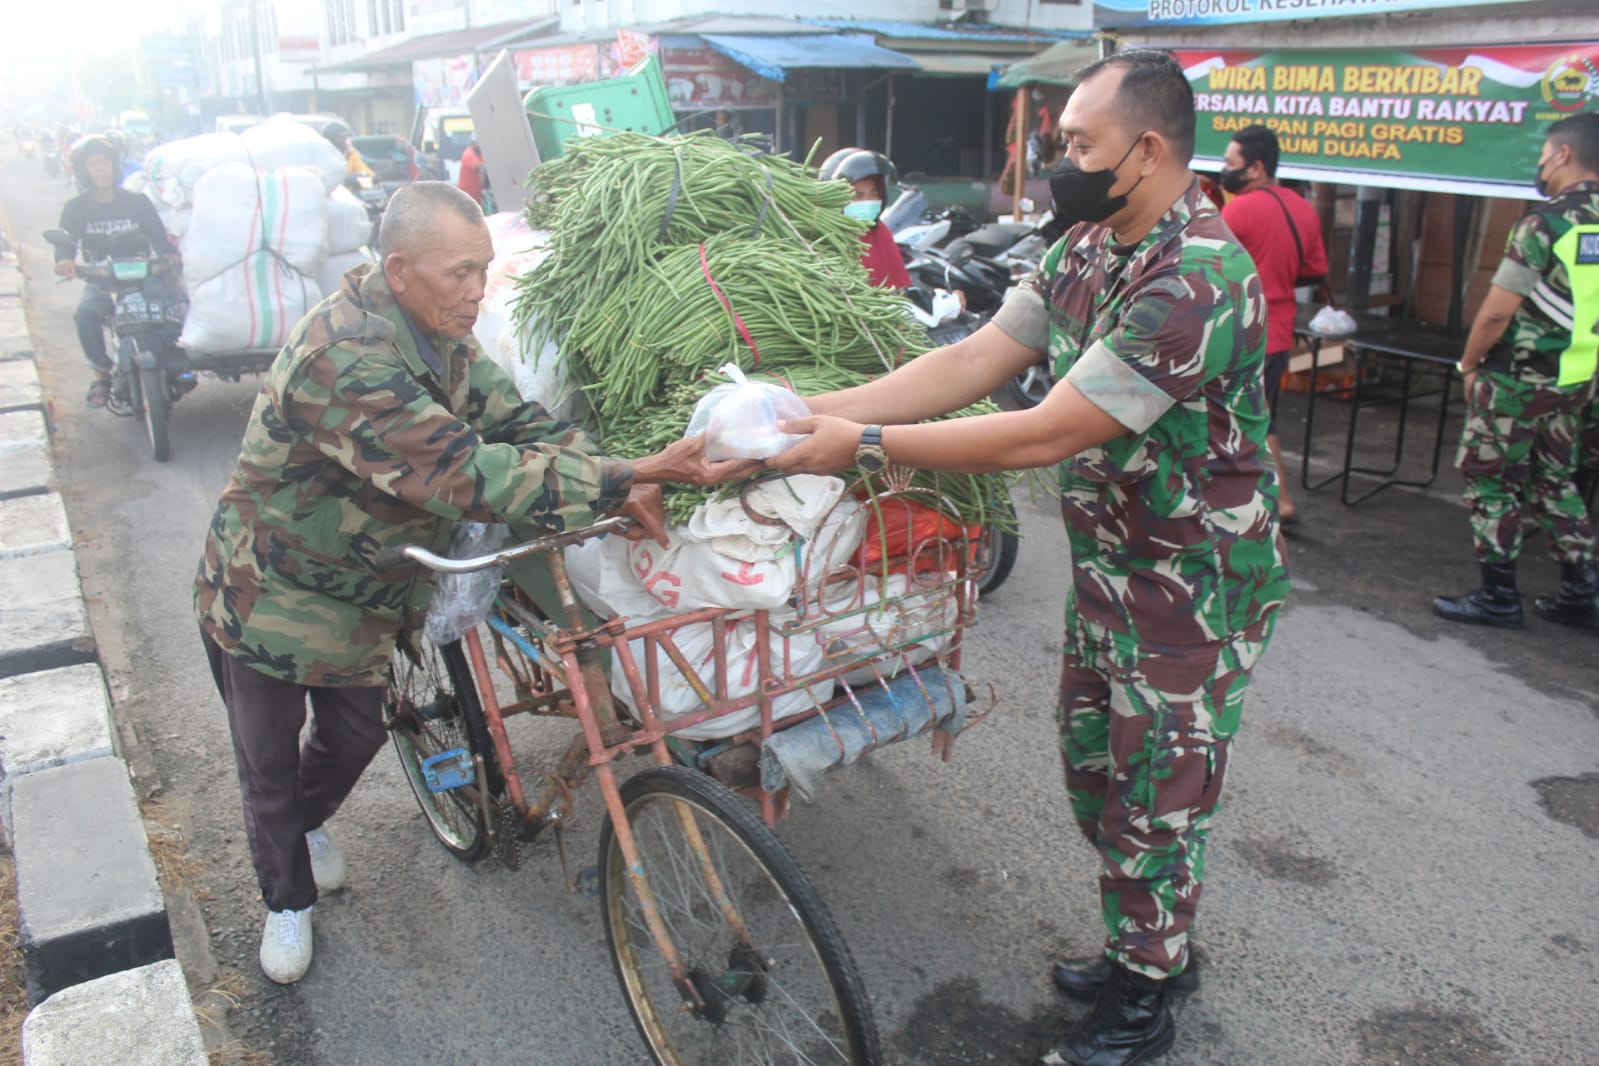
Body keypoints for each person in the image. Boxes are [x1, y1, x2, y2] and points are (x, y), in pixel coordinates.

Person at [771, 51, 1287, 1066]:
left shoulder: (1198, 275)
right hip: (1116, 570)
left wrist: (859, 449)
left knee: (1155, 792)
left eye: (1079, 145)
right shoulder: (1090, 244)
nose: (1063, 164)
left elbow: (1045, 431)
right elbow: (971, 361)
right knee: (1096, 772)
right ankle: (1149, 937)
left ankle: (1148, 988)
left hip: (1194, 590)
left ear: (1146, 151)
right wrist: (809, 411)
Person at [194, 182, 752, 986]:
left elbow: (515, 422)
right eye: (459, 272)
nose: (475, 291)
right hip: (269, 590)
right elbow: (459, 473)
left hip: (365, 588)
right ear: (398, 269)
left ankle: (303, 824)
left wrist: (608, 480)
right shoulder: (343, 355)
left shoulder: (441, 335)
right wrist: (632, 470)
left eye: (482, 270)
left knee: (354, 735)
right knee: (267, 762)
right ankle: (286, 897)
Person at [1434, 111, 1599, 630]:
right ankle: (1582, 590)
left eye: (1545, 153)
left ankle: (1499, 596)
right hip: (1576, 378)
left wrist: (1468, 362)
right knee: (1555, 478)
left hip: (1517, 381)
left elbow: (1496, 311)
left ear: (1564, 155)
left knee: (1489, 479)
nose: (1541, 163)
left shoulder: (1543, 223)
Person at [1218, 123, 1337, 525]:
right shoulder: (1301, 207)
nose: (1224, 169)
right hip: (1280, 331)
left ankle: (1276, 501)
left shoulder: (1240, 209)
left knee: (1247, 421)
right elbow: (1315, 269)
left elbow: (1206, 267)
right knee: (1257, 417)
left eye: (1230, 163)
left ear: (1255, 169)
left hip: (1243, 332)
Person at [52, 134, 171, 407]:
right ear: (84, 170)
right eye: (94, 164)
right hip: (102, 281)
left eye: (105, 162)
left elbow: (159, 238)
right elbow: (66, 242)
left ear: (115, 166)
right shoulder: (75, 208)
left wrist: (170, 255)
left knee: (165, 305)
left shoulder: (137, 202)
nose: (101, 168)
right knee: (85, 313)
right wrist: (64, 260)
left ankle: (167, 357)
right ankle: (101, 373)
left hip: (142, 277)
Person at [818, 147, 910, 290]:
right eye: (858, 196)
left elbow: (902, 286)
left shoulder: (880, 233)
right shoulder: (824, 238)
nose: (867, 202)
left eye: (873, 194)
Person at [457, 138, 486, 208]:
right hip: (466, 195)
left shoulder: (480, 154)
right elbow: (478, 166)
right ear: (472, 144)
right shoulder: (469, 154)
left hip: (476, 195)